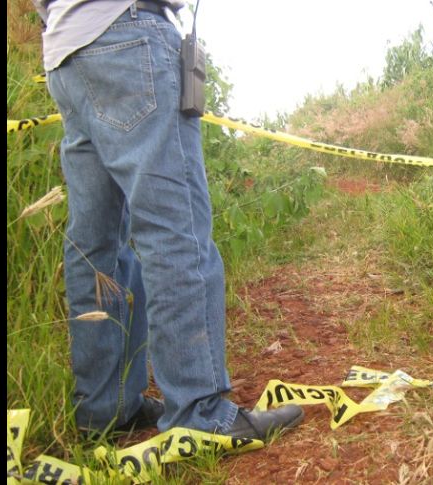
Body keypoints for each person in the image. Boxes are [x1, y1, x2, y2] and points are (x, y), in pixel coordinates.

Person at [32, 0, 303, 441]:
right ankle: (200, 415)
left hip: (66, 51)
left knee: (95, 245)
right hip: (127, 32)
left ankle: (105, 410)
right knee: (175, 229)